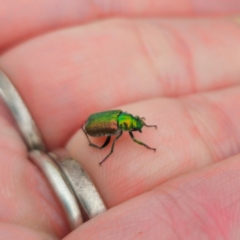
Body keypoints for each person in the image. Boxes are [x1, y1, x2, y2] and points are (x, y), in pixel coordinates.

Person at [0, 1, 240, 239]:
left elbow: (134, 122)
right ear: (124, 123)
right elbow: (125, 139)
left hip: (96, 121)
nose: (136, 125)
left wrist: (144, 124)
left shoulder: (123, 118)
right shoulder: (116, 125)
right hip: (95, 125)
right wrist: (138, 147)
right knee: (109, 145)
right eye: (134, 124)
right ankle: (99, 148)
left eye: (135, 123)